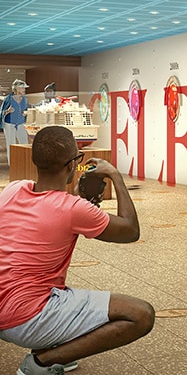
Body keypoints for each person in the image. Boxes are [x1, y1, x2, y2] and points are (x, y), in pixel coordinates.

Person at [0, 126, 153, 375]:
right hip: (26, 318)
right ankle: (42, 362)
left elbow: (52, 206)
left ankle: (53, 345)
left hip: (3, 308)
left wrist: (79, 197)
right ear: (72, 164)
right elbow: (130, 230)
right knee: (140, 314)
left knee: (65, 294)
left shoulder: (13, 189)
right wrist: (115, 176)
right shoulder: (73, 209)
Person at [3, 79, 31, 159]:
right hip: (9, 124)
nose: (24, 90)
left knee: (24, 143)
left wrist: (25, 112)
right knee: (11, 144)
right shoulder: (8, 99)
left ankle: (25, 161)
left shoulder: (25, 99)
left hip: (21, 123)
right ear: (17, 88)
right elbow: (2, 112)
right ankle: (12, 163)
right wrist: (7, 111)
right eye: (22, 88)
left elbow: (26, 108)